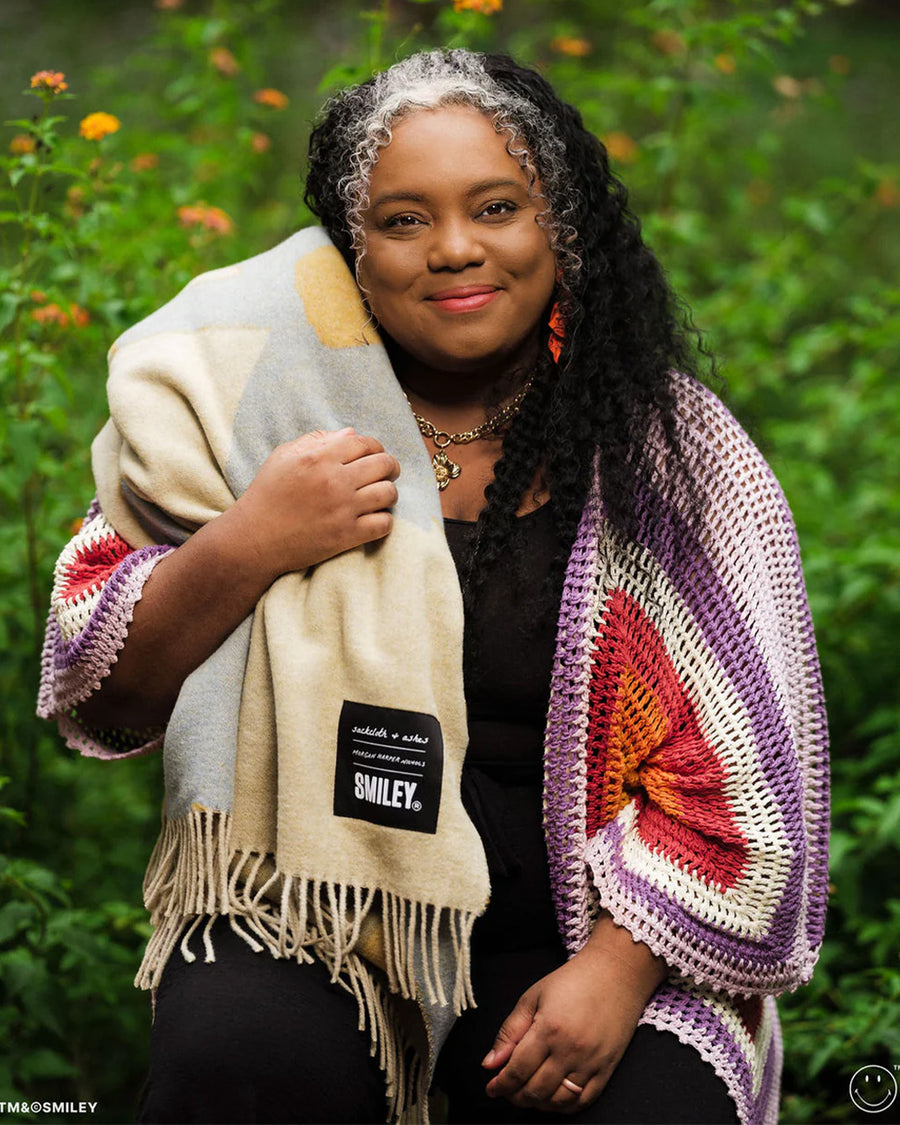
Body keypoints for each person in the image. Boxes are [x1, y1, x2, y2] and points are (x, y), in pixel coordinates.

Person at [38, 48, 829, 1125]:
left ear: (560, 224)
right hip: (312, 896)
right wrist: (250, 540)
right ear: (352, 249)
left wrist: (615, 973)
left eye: (496, 207)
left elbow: (744, 785)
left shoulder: (667, 454)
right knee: (236, 1064)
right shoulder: (249, 408)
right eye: (404, 220)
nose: (455, 248)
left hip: (592, 920)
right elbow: (107, 695)